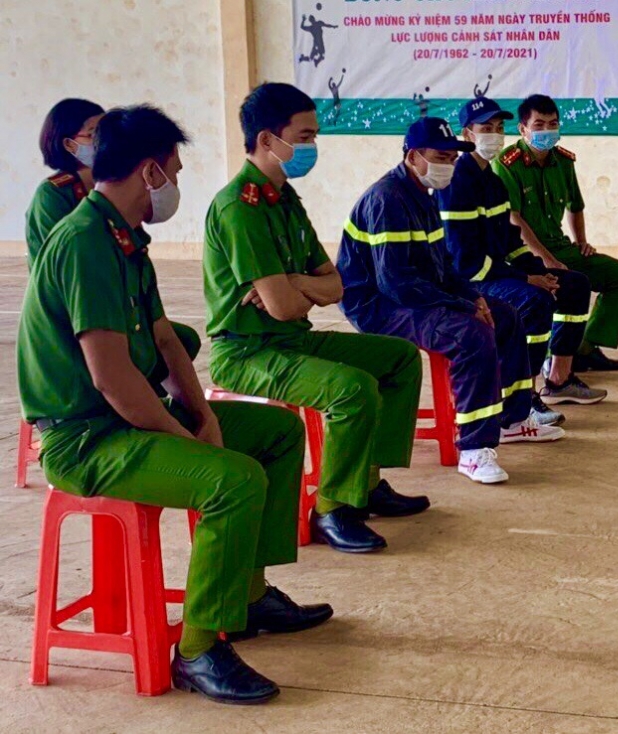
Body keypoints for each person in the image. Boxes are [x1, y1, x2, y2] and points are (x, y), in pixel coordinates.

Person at [18, 104, 332, 705]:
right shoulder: (84, 242)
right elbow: (113, 379)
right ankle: (198, 651)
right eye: (175, 170)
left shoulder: (124, 236)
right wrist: (183, 438)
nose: (176, 184)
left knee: (275, 433)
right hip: (86, 439)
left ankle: (246, 597)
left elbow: (164, 339)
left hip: (123, 421)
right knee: (232, 480)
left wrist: (205, 415)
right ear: (149, 172)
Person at [203, 82, 427, 555]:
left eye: (313, 137)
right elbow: (284, 307)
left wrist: (294, 282)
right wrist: (300, 291)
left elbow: (336, 284)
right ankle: (333, 509)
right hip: (247, 352)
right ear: (267, 140)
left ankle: (366, 482)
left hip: (291, 340)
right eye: (303, 137)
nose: (312, 147)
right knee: (351, 389)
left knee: (399, 358)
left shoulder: (285, 200)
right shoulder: (240, 208)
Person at [338, 117, 564, 486]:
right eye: (440, 157)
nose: (448, 165)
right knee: (470, 335)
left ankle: (512, 419)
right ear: (413, 156)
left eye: (452, 158)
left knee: (505, 315)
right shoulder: (387, 199)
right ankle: (473, 449)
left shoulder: (423, 197)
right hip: (379, 306)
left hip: (412, 295)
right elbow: (395, 283)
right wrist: (461, 306)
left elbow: (443, 266)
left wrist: (474, 296)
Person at [436, 97, 607, 426]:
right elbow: (466, 261)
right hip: (468, 279)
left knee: (573, 284)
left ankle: (559, 380)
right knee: (534, 300)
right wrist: (526, 279)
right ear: (468, 134)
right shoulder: (458, 182)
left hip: (494, 271)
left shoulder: (492, 181)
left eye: (499, 128)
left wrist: (539, 269)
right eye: (486, 128)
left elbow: (509, 240)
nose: (495, 135)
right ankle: (523, 399)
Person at [25, 98, 202, 364]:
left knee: (176, 340)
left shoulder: (119, 201)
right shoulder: (60, 206)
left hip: (115, 300)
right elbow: (64, 271)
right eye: (93, 133)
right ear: (70, 145)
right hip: (77, 305)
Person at [494, 94, 618, 373]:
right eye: (539, 125)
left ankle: (585, 348)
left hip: (562, 247)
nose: (547, 130)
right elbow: (514, 218)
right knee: (567, 286)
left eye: (553, 124)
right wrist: (546, 259)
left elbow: (576, 205)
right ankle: (555, 356)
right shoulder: (507, 164)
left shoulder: (563, 160)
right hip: (525, 254)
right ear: (523, 129)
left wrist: (581, 242)